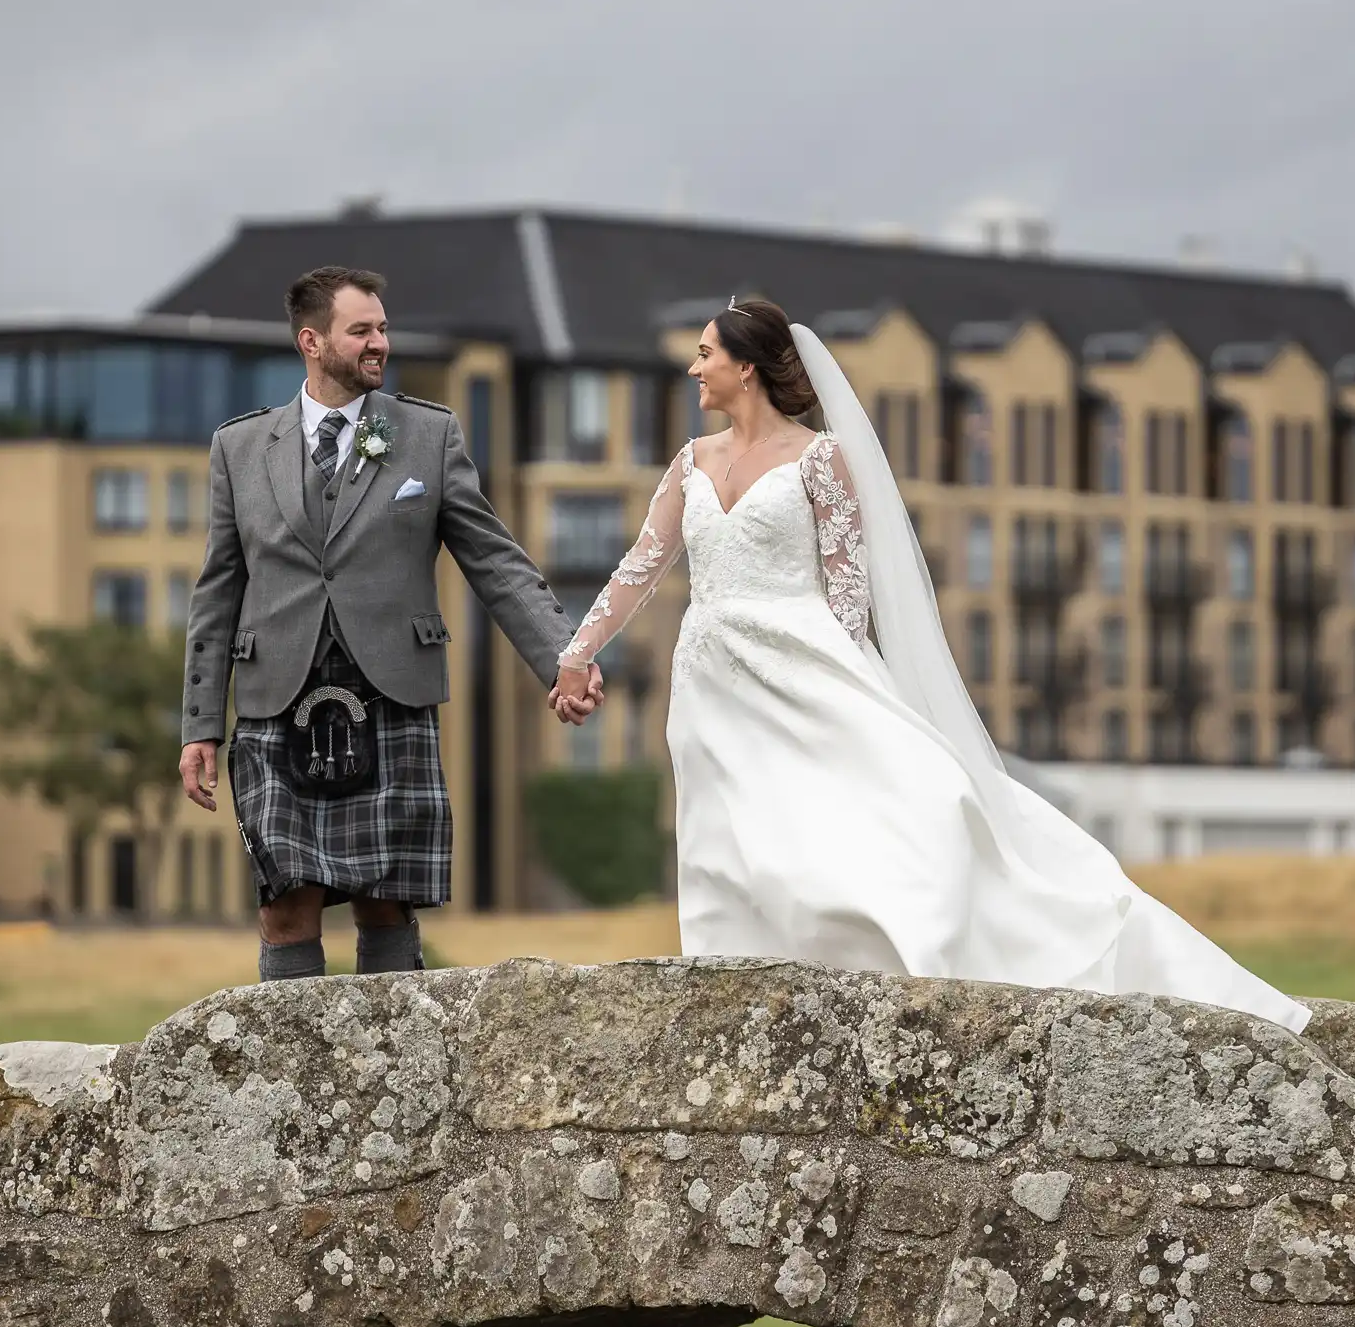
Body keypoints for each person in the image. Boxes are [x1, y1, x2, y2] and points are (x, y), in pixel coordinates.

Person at [548, 298, 1310, 1033]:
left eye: (707, 353)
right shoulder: (690, 463)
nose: (693, 368)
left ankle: (932, 944)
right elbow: (640, 568)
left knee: (912, 804)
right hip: (712, 680)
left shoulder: (820, 459)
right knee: (732, 837)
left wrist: (847, 688)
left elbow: (848, 591)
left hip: (804, 666)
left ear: (747, 369)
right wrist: (578, 653)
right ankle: (735, 991)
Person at [179, 265, 602, 981]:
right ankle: (298, 1082)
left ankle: (393, 1081)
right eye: (362, 330)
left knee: (387, 901)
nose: (381, 342)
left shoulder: (426, 435)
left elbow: (494, 561)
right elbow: (218, 587)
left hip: (391, 689)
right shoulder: (241, 448)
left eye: (383, 327)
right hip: (274, 697)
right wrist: (198, 723)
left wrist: (565, 655)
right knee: (287, 902)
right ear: (312, 342)